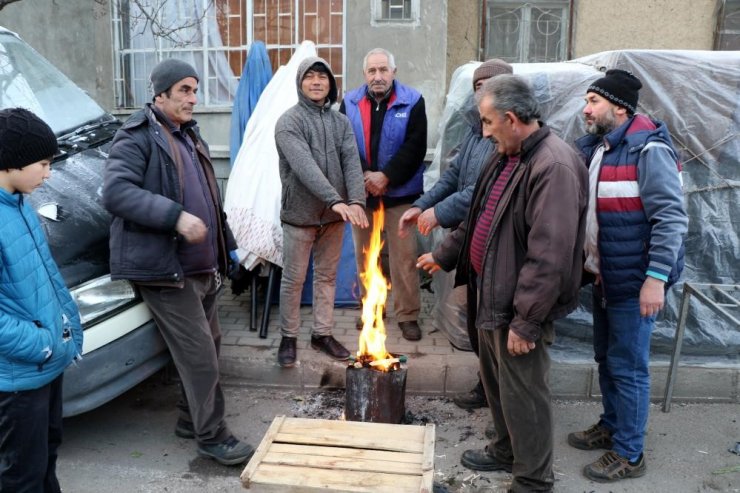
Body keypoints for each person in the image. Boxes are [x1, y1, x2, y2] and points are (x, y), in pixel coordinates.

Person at [418, 75, 588, 492]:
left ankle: (532, 479)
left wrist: (527, 321)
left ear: (511, 118)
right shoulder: (503, 155)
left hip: (517, 307)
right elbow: (479, 218)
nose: (484, 130)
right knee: (498, 388)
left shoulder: (554, 166)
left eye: (488, 121)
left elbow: (548, 254)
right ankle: (506, 450)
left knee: (525, 395)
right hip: (489, 295)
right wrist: (443, 256)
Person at [103, 59, 254, 466]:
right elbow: (115, 193)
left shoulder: (189, 134)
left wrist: (230, 248)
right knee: (199, 355)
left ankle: (191, 418)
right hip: (166, 271)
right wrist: (174, 216)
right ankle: (212, 437)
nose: (193, 98)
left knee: (211, 346)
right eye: (184, 90)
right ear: (160, 95)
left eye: (195, 89)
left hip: (202, 268)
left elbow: (209, 198)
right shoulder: (135, 136)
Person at [568, 69, 688, 483]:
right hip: (609, 276)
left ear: (618, 107)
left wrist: (654, 280)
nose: (586, 109)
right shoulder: (605, 147)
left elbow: (671, 219)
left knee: (629, 367)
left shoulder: (648, 151)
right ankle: (612, 426)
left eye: (593, 101)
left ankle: (630, 453)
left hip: (636, 282)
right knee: (608, 358)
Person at [399, 59, 512, 410]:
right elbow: (453, 176)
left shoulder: (505, 136)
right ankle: (487, 385)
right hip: (471, 239)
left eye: (488, 86)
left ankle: (500, 394)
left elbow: (481, 189)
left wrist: (438, 213)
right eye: (476, 86)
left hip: (496, 245)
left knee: (494, 326)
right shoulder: (474, 130)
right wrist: (422, 205)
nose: (480, 92)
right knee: (479, 324)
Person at [0, 108, 83, 492]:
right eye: (43, 163)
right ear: (11, 162)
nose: (49, 173)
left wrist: (70, 330)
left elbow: (48, 278)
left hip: (44, 364)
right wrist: (44, 344)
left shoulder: (20, 206)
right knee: (22, 476)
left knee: (47, 456)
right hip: (17, 378)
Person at [274, 57, 368, 367]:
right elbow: (304, 167)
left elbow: (352, 163)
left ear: (331, 83)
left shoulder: (340, 122)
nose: (317, 82)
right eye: (310, 77)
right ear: (300, 83)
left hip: (334, 217)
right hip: (300, 215)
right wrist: (334, 199)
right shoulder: (289, 122)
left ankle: (322, 334)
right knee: (294, 280)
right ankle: (289, 337)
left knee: (326, 277)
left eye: (322, 77)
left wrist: (356, 201)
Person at [340, 47, 427, 341]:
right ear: (364, 74)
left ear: (393, 72)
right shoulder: (349, 102)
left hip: (400, 194)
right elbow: (345, 145)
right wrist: (366, 177)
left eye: (383, 70)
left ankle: (408, 315)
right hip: (361, 194)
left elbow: (416, 147)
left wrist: (386, 176)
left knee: (404, 258)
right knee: (366, 256)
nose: (378, 76)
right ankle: (372, 311)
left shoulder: (413, 100)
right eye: (372, 71)